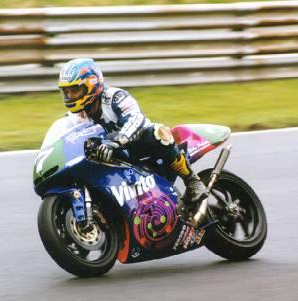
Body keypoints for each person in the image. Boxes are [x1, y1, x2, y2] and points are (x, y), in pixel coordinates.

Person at [58, 57, 207, 204]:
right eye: (67, 92)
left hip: (137, 145)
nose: (70, 96)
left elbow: (136, 119)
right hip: (110, 155)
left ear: (92, 85)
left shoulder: (115, 97)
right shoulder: (75, 117)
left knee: (158, 132)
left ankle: (192, 180)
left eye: (75, 90)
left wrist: (116, 142)